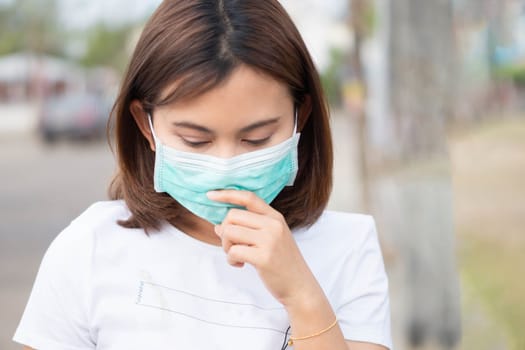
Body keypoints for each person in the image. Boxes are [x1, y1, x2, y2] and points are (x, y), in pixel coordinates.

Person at [13, 1, 392, 349]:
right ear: (146, 127)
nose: (226, 164)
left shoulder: (348, 248)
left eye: (256, 138)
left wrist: (303, 297)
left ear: (300, 117)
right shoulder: (88, 247)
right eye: (196, 141)